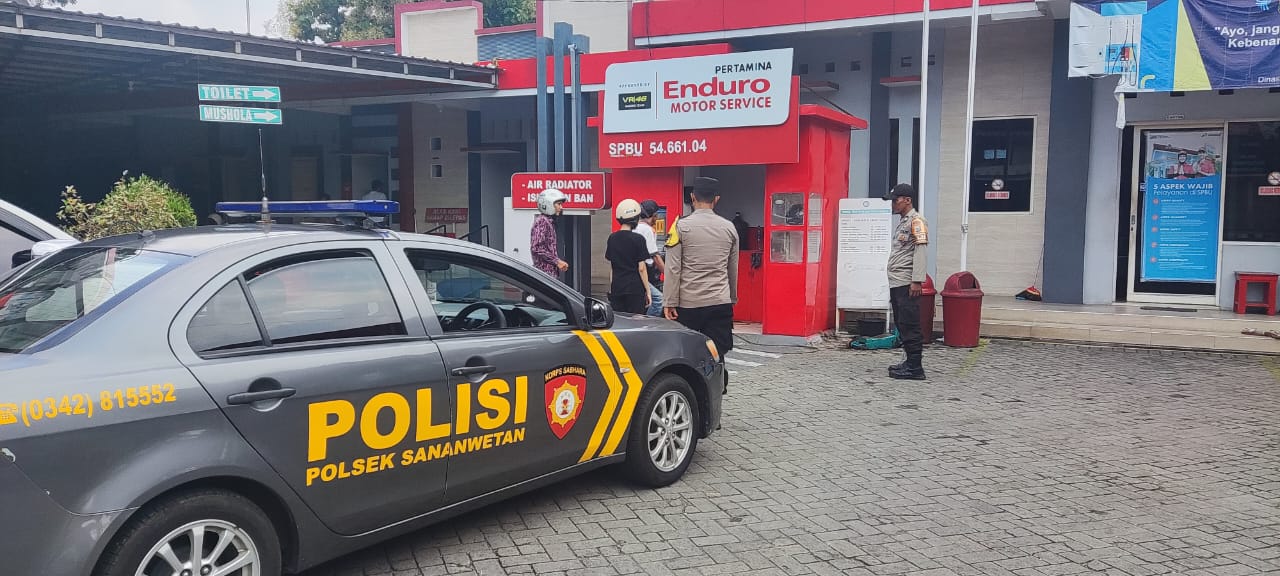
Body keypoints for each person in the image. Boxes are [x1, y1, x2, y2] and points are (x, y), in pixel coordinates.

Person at [662, 177, 739, 356]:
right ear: (716, 199)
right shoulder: (729, 228)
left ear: (692, 197)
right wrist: (731, 298)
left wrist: (669, 302)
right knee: (717, 354)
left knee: (686, 354)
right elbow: (732, 268)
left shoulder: (680, 226)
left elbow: (673, 269)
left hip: (688, 305)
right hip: (719, 302)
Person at [883, 183, 929, 380]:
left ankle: (915, 368)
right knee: (902, 323)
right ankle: (909, 361)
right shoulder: (904, 222)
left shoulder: (917, 221)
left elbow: (920, 251)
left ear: (907, 200)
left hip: (907, 282)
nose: (893, 204)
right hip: (897, 281)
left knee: (910, 324)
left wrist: (917, 280)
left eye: (896, 200)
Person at [605, 199, 651, 314]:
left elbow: (612, 267)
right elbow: (642, 268)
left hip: (617, 288)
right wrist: (648, 291)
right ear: (635, 218)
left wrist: (612, 286)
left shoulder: (612, 238)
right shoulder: (639, 239)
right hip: (635, 288)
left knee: (620, 319)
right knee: (636, 320)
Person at [636, 199, 666, 316]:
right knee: (659, 300)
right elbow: (655, 256)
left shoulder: (634, 226)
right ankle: (649, 322)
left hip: (631, 273)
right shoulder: (648, 230)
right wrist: (668, 274)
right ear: (653, 215)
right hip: (643, 272)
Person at [531, 188, 569, 279]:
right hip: (544, 274)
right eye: (558, 204)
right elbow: (537, 248)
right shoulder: (542, 221)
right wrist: (557, 261)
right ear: (548, 204)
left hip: (548, 274)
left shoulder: (548, 221)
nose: (561, 207)